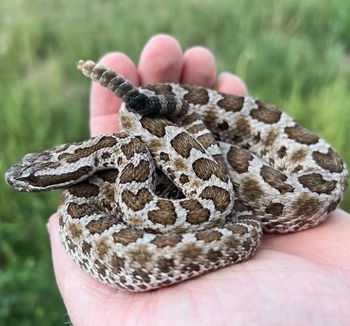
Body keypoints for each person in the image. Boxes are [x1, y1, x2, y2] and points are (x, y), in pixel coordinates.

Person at [47, 34, 350, 325]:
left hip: (234, 193)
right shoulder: (114, 168)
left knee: (147, 112)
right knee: (139, 118)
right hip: (194, 194)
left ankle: (191, 124)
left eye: (35, 178)